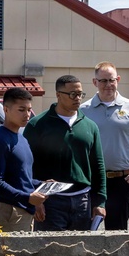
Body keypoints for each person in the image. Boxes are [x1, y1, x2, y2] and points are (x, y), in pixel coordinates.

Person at [26, 75, 106, 231]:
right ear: (58, 95)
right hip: (50, 202)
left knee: (80, 252)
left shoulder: (90, 126)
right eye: (72, 94)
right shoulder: (38, 125)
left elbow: (98, 166)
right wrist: (35, 200)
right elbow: (26, 166)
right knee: (50, 252)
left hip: (83, 201)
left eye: (80, 94)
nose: (78, 98)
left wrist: (100, 202)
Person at [80, 64, 129, 231]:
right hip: (92, 181)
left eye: (111, 80)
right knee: (86, 231)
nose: (107, 85)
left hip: (122, 181)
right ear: (94, 82)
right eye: (103, 80)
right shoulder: (83, 110)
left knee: (117, 234)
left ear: (118, 80)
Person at [0, 87, 45, 232]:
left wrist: (42, 184)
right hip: (10, 211)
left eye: (29, 109)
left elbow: (21, 177)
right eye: (21, 110)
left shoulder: (21, 138)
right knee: (11, 254)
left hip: (24, 209)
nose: (27, 114)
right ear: (6, 109)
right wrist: (27, 197)